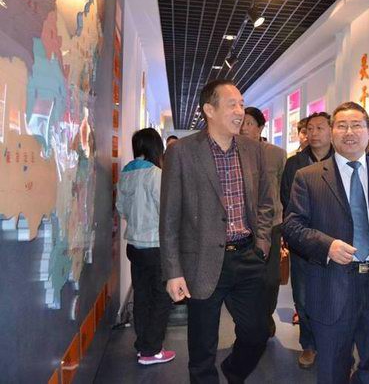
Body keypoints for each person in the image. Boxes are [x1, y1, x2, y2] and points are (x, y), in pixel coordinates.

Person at [282, 101, 369, 384]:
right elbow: (292, 227)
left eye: (357, 125)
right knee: (333, 367)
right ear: (332, 133)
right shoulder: (308, 177)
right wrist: (327, 246)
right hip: (333, 284)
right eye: (342, 126)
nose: (349, 132)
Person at [160, 79, 274, 383]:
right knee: (202, 348)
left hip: (247, 256)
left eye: (241, 104)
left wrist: (262, 243)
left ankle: (234, 371)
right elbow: (169, 216)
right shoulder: (183, 152)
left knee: (257, 334)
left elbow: (266, 202)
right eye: (232, 105)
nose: (240, 111)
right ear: (209, 110)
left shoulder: (253, 150)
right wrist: (173, 271)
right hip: (202, 261)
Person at [116, 128, 175, 366]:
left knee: (141, 296)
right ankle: (151, 350)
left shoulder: (126, 173)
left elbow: (121, 209)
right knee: (162, 298)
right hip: (155, 246)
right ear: (156, 147)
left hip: (134, 245)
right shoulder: (155, 174)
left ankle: (144, 345)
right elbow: (167, 210)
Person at [280, 111, 334, 369]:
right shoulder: (294, 163)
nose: (314, 133)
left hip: (334, 241)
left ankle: (334, 346)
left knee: (334, 296)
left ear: (331, 130)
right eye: (310, 128)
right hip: (302, 241)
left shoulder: (341, 159)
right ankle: (309, 345)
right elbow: (286, 199)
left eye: (320, 128)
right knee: (302, 296)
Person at [241, 106, 287, 338]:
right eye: (241, 123)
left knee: (271, 278)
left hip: (272, 224)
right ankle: (248, 322)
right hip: (242, 227)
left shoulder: (276, 154)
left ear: (260, 128)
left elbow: (283, 188)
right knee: (245, 278)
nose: (244, 128)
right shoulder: (232, 152)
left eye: (249, 123)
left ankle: (266, 315)